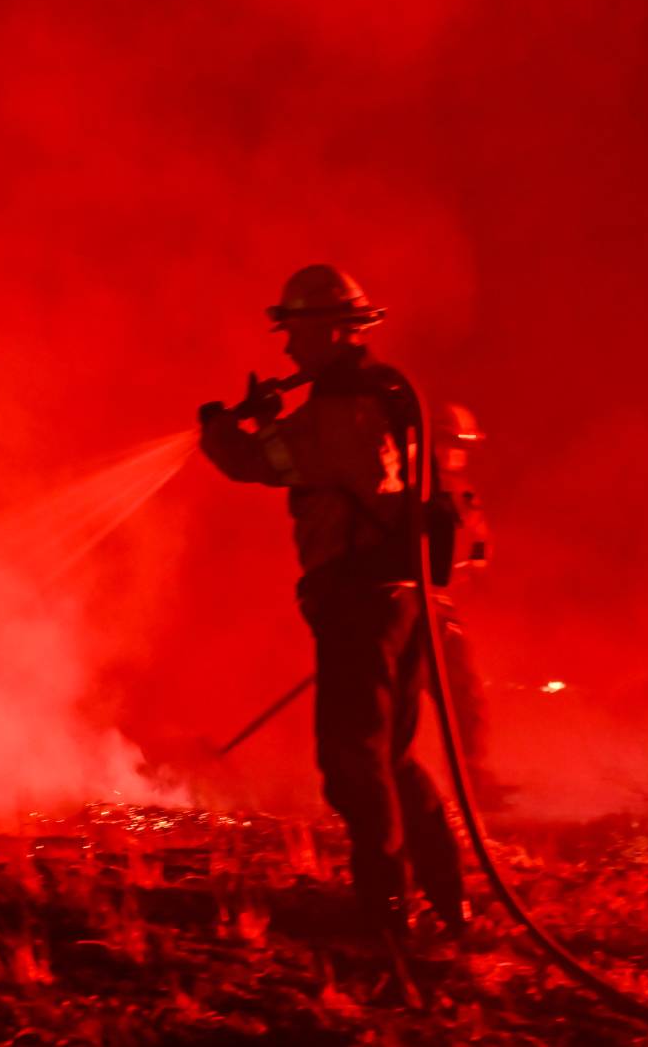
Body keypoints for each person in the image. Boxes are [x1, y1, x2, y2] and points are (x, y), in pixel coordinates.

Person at [197, 264, 466, 936]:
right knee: (392, 756)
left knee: (350, 760)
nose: (288, 351)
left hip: (363, 601)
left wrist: (221, 429)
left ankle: (387, 911)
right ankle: (448, 899)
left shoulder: (343, 410)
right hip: (405, 600)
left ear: (336, 331)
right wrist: (269, 419)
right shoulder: (383, 395)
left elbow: (264, 463)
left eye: (297, 334)